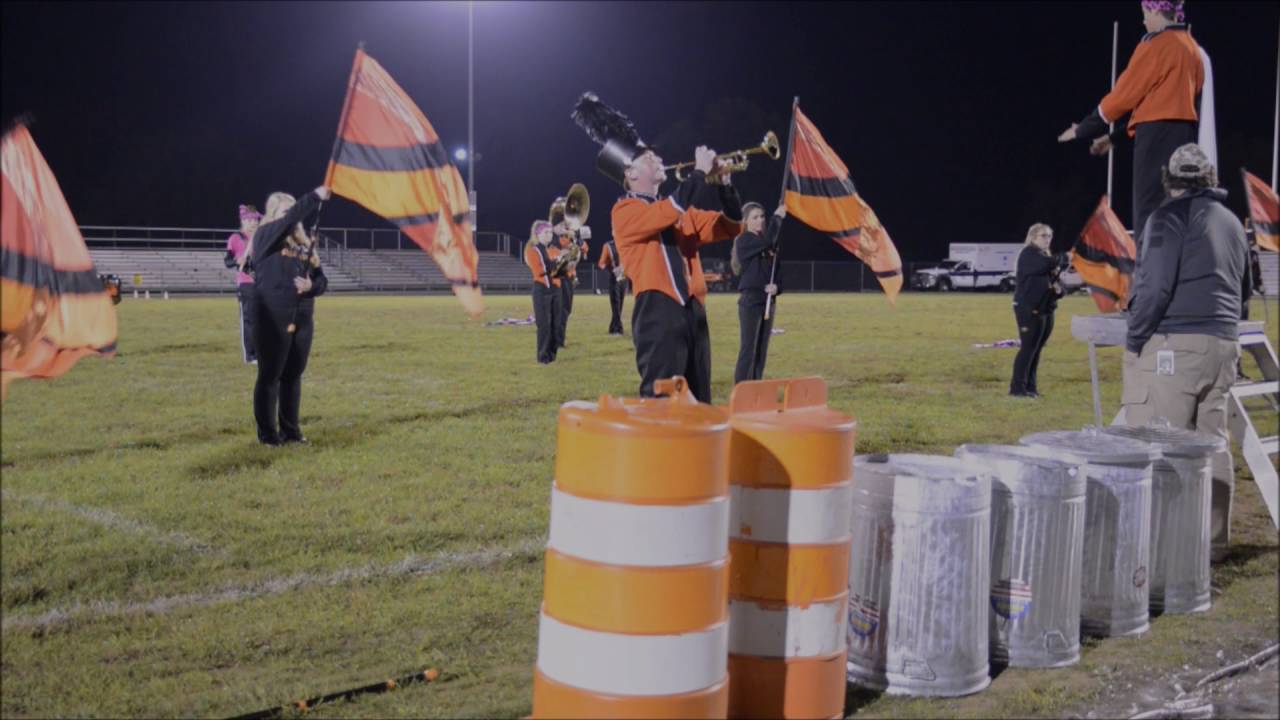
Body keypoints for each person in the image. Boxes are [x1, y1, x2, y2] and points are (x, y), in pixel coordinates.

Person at [1122, 143, 1245, 559]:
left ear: (1169, 179)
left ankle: (1162, 548)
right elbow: (1242, 288)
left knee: (1160, 444)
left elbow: (1154, 286)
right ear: (1208, 178)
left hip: (1177, 346)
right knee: (1212, 443)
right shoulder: (1230, 221)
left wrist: (1136, 339)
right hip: (1224, 343)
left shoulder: (1166, 217)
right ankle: (1212, 544)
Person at [1057, 0, 1204, 251]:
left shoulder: (1156, 44)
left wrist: (1084, 128)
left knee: (1150, 213)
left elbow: (1124, 95)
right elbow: (1162, 104)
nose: (1144, 20)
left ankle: (1148, 282)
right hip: (1185, 139)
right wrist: (1113, 139)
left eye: (1145, 13)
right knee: (1177, 211)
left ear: (1157, 11)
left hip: (1155, 142)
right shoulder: (1194, 49)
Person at [610, 145, 743, 402]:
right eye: (650, 158)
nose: (660, 158)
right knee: (662, 400)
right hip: (657, 310)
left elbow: (732, 225)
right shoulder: (624, 210)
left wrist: (725, 185)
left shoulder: (681, 211)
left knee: (700, 400)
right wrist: (700, 172)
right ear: (631, 173)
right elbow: (666, 212)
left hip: (694, 310)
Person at [249, 186, 331, 446]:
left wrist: (312, 288)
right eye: (287, 211)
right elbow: (287, 220)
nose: (293, 216)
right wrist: (314, 197)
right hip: (272, 318)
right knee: (270, 376)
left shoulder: (305, 245)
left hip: (303, 317)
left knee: (293, 376)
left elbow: (322, 280)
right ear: (274, 215)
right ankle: (268, 435)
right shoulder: (264, 237)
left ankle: (291, 431)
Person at [1009, 223, 1066, 398]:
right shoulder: (1029, 254)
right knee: (1028, 348)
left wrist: (1060, 290)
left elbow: (1055, 280)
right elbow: (1045, 265)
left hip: (1045, 308)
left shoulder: (1044, 256)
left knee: (1037, 349)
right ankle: (1017, 389)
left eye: (1049, 236)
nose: (1047, 239)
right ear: (1033, 237)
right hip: (1029, 308)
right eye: (1043, 236)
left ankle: (1031, 388)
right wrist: (1065, 257)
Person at [732, 201, 786, 383]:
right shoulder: (744, 240)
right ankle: (741, 390)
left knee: (761, 349)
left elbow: (777, 272)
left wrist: (776, 287)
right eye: (755, 217)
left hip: (768, 301)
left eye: (762, 217)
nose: (760, 221)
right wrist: (777, 218)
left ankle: (756, 388)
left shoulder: (768, 244)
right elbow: (766, 241)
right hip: (751, 301)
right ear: (746, 221)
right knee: (749, 349)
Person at [224, 204, 261, 364]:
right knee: (249, 319)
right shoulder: (235, 238)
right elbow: (227, 261)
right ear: (243, 221)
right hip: (246, 284)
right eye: (251, 220)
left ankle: (262, 352)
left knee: (263, 319)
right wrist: (237, 261)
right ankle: (250, 355)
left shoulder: (261, 237)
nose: (254, 222)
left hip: (262, 283)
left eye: (256, 219)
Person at [524, 220, 563, 363]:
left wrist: (565, 262)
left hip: (555, 290)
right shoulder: (533, 250)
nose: (549, 235)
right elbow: (543, 269)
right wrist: (559, 260)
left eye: (551, 232)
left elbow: (560, 271)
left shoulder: (551, 250)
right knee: (544, 325)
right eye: (546, 233)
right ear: (537, 234)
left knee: (556, 324)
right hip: (542, 290)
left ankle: (552, 355)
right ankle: (543, 356)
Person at [554, 223, 590, 348]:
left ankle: (558, 338)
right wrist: (571, 235)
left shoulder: (574, 240)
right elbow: (562, 241)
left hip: (567, 278)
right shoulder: (561, 232)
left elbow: (585, 249)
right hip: (562, 278)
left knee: (566, 310)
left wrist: (579, 240)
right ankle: (558, 340)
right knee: (563, 310)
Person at [597, 236, 627, 335]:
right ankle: (619, 329)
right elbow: (601, 263)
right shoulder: (608, 246)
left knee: (620, 304)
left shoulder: (626, 243)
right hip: (614, 278)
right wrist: (611, 270)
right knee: (615, 304)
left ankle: (612, 328)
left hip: (624, 278)